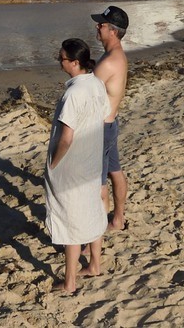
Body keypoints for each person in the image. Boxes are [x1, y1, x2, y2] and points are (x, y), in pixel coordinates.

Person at [45, 38, 109, 295]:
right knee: (93, 211)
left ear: (74, 62)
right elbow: (104, 115)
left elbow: (66, 137)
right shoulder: (96, 84)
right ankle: (95, 264)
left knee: (70, 223)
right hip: (91, 159)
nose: (59, 62)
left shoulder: (73, 93)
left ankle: (70, 282)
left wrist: (53, 163)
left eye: (61, 58)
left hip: (73, 164)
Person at [91, 6, 131, 232]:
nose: (98, 26)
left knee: (99, 183)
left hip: (101, 128)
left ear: (113, 31)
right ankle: (117, 219)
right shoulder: (115, 55)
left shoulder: (108, 62)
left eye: (102, 24)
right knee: (115, 171)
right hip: (110, 123)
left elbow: (85, 94)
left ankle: (94, 236)